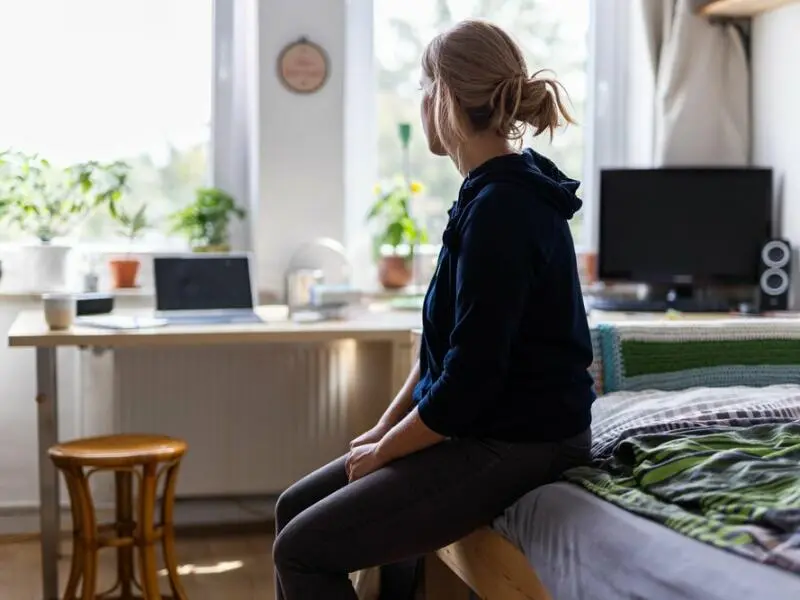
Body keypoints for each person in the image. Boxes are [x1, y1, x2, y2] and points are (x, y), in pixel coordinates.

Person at [273, 18, 595, 600]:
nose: (420, 103)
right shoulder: (486, 193)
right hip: (482, 427)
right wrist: (381, 433)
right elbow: (445, 353)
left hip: (524, 441)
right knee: (291, 508)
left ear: (443, 97)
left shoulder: (505, 209)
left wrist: (387, 452)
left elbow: (467, 386)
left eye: (424, 88)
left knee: (300, 550)